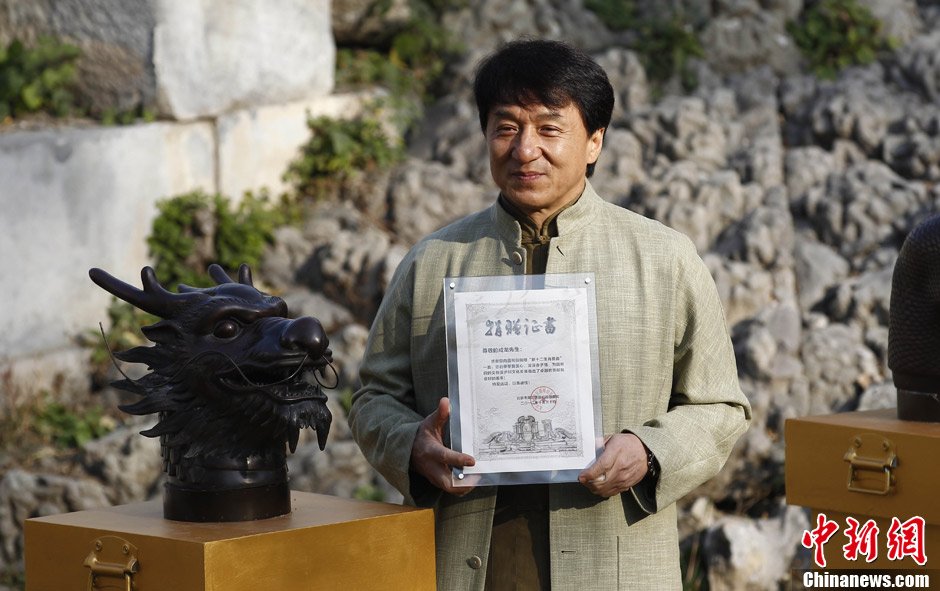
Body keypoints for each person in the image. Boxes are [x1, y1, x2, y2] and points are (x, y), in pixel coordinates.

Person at [348, 39, 751, 590]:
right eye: (506, 127)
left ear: (594, 141)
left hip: (613, 565)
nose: (525, 149)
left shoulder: (663, 258)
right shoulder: (433, 260)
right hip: (463, 562)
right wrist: (411, 445)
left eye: (549, 128)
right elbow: (373, 397)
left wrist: (648, 451)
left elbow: (720, 406)